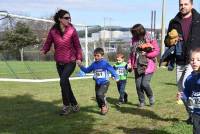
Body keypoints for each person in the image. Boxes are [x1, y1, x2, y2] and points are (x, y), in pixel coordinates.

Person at [40, 9, 83, 115]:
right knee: (65, 83)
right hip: (59, 62)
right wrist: (44, 50)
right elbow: (48, 42)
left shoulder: (72, 30)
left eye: (69, 18)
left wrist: (79, 58)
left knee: (63, 81)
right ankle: (75, 104)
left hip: (71, 61)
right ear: (60, 19)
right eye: (66, 18)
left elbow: (78, 46)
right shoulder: (53, 31)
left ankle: (66, 106)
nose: (69, 19)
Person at [164, 0, 200, 123]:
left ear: (191, 5)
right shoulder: (173, 22)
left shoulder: (198, 20)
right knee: (181, 91)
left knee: (186, 85)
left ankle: (196, 116)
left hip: (194, 60)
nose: (183, 6)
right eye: (181, 4)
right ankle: (192, 116)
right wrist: (171, 40)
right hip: (179, 60)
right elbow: (166, 42)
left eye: (185, 4)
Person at [77, 47, 119, 115]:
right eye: (95, 55)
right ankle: (102, 106)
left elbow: (112, 70)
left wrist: (116, 77)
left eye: (98, 56)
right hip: (97, 83)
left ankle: (104, 106)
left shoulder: (105, 63)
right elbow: (87, 70)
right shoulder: (94, 64)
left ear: (102, 56)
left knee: (99, 94)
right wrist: (80, 65)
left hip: (105, 82)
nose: (96, 57)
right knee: (97, 97)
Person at [128, 24, 160, 108]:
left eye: (134, 33)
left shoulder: (150, 38)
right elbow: (131, 54)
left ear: (139, 32)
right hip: (136, 65)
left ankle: (151, 97)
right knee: (138, 85)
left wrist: (147, 54)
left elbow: (157, 51)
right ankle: (141, 101)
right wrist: (129, 63)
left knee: (144, 84)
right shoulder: (133, 40)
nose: (133, 35)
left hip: (148, 65)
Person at [181, 48, 200, 133]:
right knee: (196, 131)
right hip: (196, 112)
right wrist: (182, 95)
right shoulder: (189, 78)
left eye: (198, 60)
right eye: (192, 60)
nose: (194, 62)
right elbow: (187, 92)